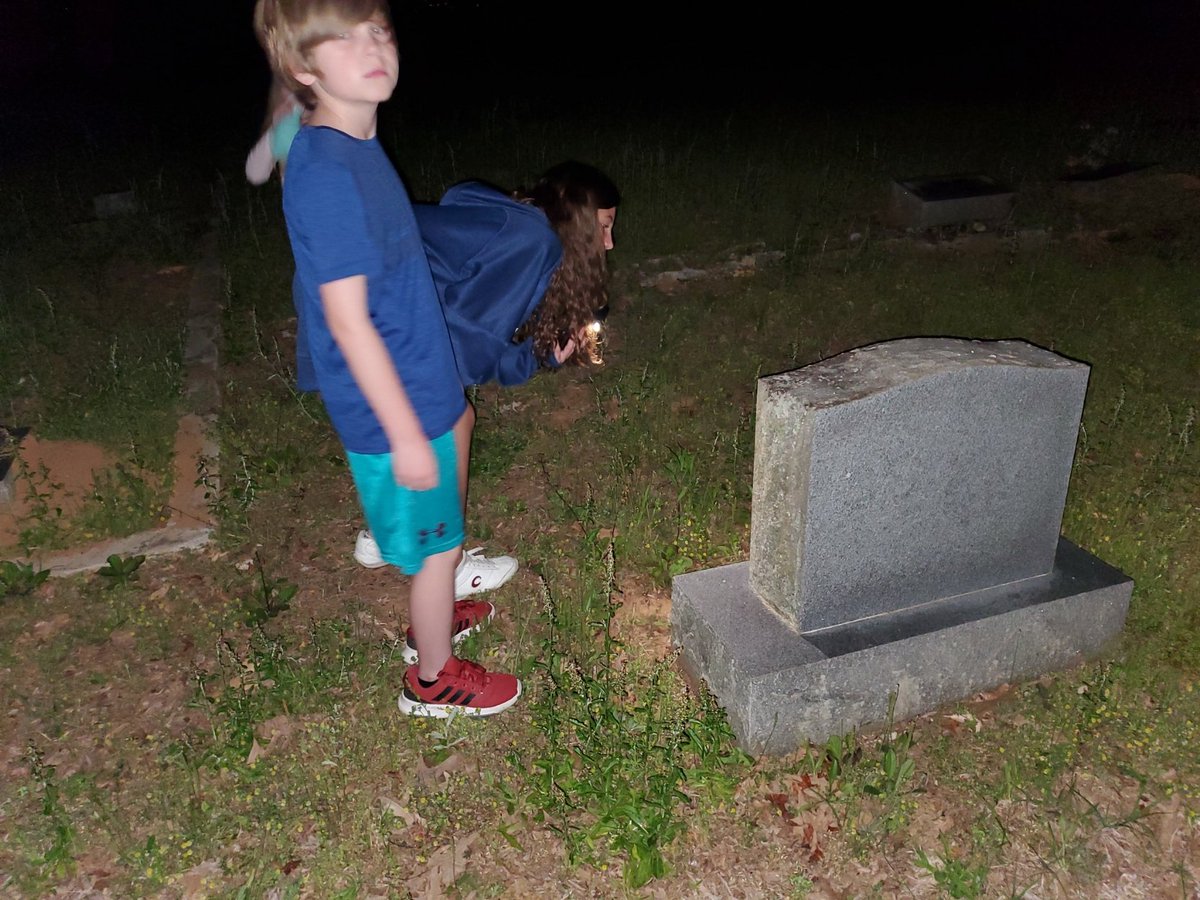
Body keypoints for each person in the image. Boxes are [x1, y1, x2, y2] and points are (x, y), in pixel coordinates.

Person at [253, 0, 519, 717]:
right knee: (433, 550)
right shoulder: (329, 175)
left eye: (379, 29)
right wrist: (403, 434)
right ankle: (431, 676)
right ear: (306, 68)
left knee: (460, 428)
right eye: (343, 38)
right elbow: (346, 321)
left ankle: (436, 605)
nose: (373, 44)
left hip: (420, 369)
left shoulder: (346, 139)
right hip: (388, 394)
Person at [351, 161, 620, 569]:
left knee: (438, 419)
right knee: (452, 421)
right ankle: (448, 564)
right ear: (579, 222)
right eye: (603, 226)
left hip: (364, 291)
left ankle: (384, 536)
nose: (610, 242)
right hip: (378, 302)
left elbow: (458, 198)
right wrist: (535, 356)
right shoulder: (535, 244)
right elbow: (469, 352)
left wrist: (544, 355)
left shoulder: (524, 228)